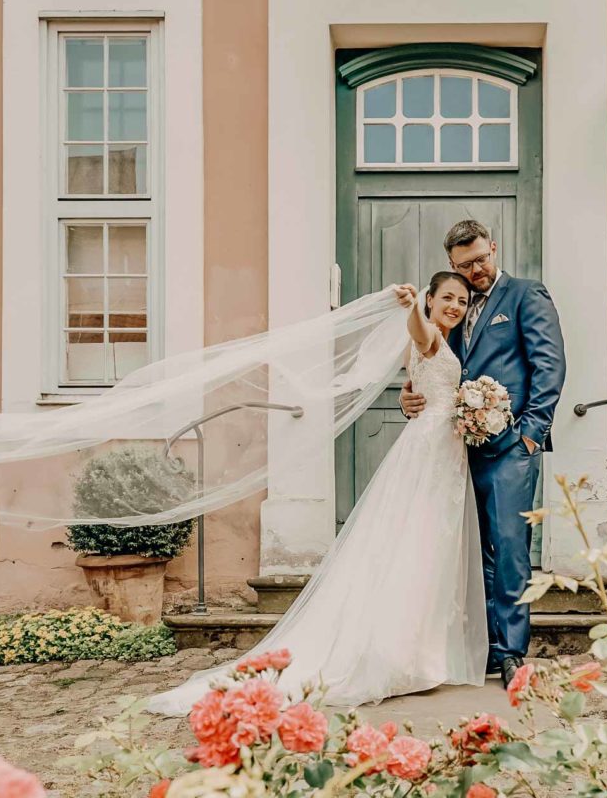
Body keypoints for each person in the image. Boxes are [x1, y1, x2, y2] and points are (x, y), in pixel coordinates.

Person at [146, 272, 488, 714]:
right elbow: (421, 334)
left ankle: (421, 652)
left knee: (426, 548)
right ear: (431, 300)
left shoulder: (441, 343)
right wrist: (412, 310)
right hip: (431, 455)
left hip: (441, 451)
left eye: (462, 301)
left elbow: (424, 380)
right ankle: (404, 658)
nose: (456, 307)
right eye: (447, 299)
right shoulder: (429, 338)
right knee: (420, 545)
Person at [400, 219, 566, 690]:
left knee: (511, 548)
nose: (474, 270)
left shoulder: (526, 295)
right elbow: (434, 365)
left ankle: (512, 652)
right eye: (463, 265)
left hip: (511, 447)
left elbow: (549, 365)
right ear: (451, 265)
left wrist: (531, 434)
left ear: (494, 247)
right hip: (456, 450)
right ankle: (487, 646)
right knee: (473, 550)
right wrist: (407, 396)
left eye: (480, 259)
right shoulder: (452, 309)